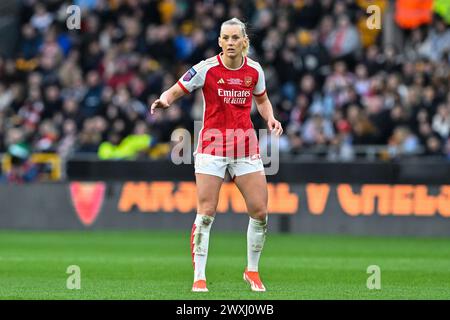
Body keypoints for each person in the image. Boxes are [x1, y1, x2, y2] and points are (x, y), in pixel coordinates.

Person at [150, 18, 283, 293]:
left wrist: (270, 118)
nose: (231, 42)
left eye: (236, 38)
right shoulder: (206, 68)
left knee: (260, 212)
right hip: (212, 145)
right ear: (220, 41)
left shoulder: (255, 71)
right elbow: (178, 88)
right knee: (206, 213)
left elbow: (262, 99)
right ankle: (199, 277)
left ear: (244, 41)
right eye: (226, 38)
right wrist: (165, 99)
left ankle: (252, 271)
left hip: (245, 145)